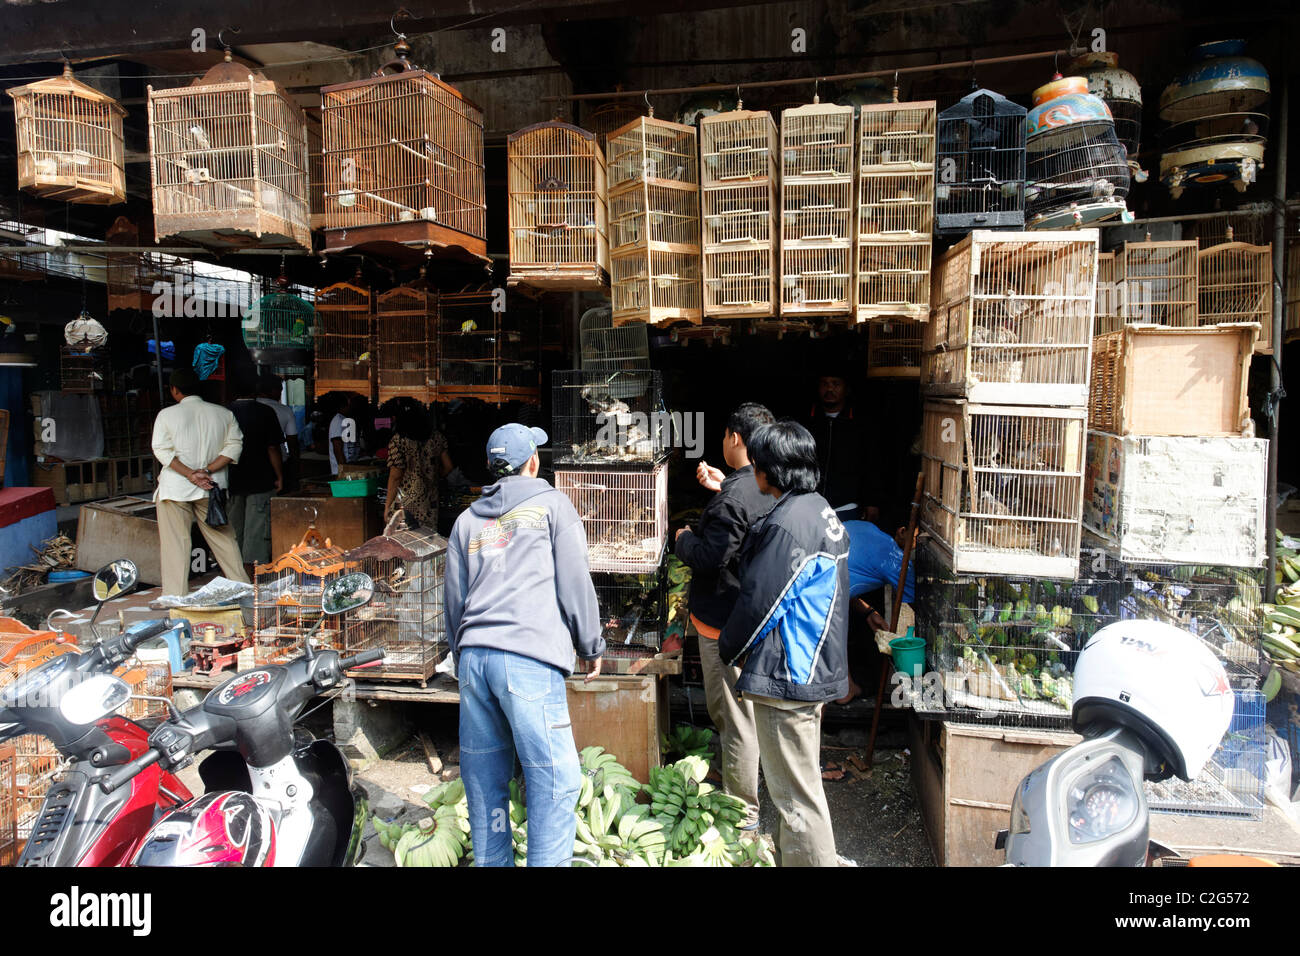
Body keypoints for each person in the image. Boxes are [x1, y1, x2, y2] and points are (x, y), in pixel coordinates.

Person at [445, 423, 604, 867]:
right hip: (528, 658)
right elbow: (575, 581)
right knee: (555, 780)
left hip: (475, 659)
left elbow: (454, 602)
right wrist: (590, 644)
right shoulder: (552, 504)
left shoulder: (466, 521)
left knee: (485, 778)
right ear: (533, 461)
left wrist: (463, 659)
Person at [718, 419, 850, 867]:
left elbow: (761, 602)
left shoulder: (790, 524)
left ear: (769, 472)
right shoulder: (817, 509)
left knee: (795, 800)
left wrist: (728, 650)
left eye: (756, 465)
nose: (753, 473)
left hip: (789, 674)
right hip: (813, 665)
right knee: (802, 785)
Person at [672, 402, 775, 829]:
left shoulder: (735, 497)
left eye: (724, 436)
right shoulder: (764, 483)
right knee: (739, 711)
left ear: (735, 438)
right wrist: (724, 485)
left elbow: (712, 557)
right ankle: (741, 781)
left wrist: (682, 539)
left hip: (723, 624)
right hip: (750, 615)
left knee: (734, 716)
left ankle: (743, 812)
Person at [150, 368, 248, 598]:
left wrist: (189, 474)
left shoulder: (167, 415)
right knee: (224, 540)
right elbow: (234, 446)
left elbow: (162, 450)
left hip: (175, 489)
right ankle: (244, 592)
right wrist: (206, 471)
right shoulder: (223, 414)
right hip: (211, 487)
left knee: (176, 546)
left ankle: (176, 600)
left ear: (174, 390)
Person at [836, 519, 917, 704]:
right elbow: (918, 607)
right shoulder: (896, 561)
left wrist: (867, 612)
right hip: (819, 594)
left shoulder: (867, 527)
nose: (916, 546)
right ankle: (844, 689)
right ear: (902, 530)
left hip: (814, 575)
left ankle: (845, 685)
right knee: (834, 625)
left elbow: (845, 578)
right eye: (916, 538)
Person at [228, 373, 285, 575]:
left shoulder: (226, 413)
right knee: (257, 530)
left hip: (232, 479)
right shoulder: (265, 412)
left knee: (234, 529)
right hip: (261, 478)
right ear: (255, 389)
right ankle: (252, 575)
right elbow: (272, 448)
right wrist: (279, 475)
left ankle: (235, 572)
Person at [806, 369, 873, 521]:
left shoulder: (859, 423)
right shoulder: (808, 421)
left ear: (846, 389)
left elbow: (871, 463)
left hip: (847, 507)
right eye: (824, 384)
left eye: (835, 384)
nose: (829, 389)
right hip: (810, 504)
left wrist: (871, 501)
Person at [385, 406, 454, 529]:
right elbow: (448, 466)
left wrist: (387, 506)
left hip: (405, 504)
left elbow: (396, 476)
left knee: (404, 542)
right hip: (429, 503)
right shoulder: (436, 437)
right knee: (427, 542)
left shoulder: (398, 441)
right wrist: (433, 478)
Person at [257, 372, 300, 465]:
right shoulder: (285, 410)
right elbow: (292, 442)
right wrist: (295, 464)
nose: (280, 394)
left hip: (253, 462)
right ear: (274, 390)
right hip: (279, 460)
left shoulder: (250, 407)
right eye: (280, 390)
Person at [328, 394, 366, 477]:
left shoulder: (346, 419)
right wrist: (344, 471)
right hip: (342, 471)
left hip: (350, 467)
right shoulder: (338, 421)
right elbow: (337, 449)